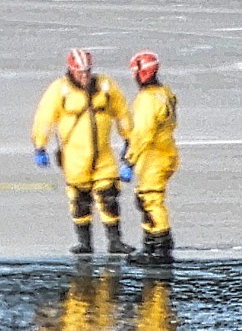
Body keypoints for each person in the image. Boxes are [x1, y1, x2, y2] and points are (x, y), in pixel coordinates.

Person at [32, 47, 135, 255]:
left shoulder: (105, 86)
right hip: (74, 157)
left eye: (87, 71)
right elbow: (45, 118)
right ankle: (84, 242)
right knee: (80, 199)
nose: (85, 76)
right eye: (80, 72)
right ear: (71, 70)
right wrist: (40, 145)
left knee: (109, 196)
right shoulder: (60, 90)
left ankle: (115, 241)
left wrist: (128, 138)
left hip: (103, 154)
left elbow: (122, 112)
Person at [123, 50, 179, 266]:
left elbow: (142, 133)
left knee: (150, 200)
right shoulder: (164, 92)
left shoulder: (147, 100)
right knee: (144, 198)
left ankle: (161, 247)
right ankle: (150, 245)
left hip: (154, 156)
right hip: (165, 152)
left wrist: (129, 159)